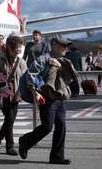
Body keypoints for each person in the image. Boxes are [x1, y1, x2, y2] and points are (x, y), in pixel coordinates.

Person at [19, 35, 77, 165]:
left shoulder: (63, 60)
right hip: (47, 98)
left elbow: (72, 77)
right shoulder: (43, 59)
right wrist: (35, 93)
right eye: (63, 45)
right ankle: (25, 141)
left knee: (61, 127)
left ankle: (57, 157)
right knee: (47, 126)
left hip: (60, 98)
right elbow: (31, 75)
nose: (66, 48)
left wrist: (60, 67)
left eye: (67, 46)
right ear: (55, 45)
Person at [0, 35, 27, 155]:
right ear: (10, 47)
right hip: (4, 94)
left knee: (9, 120)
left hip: (16, 94)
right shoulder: (0, 60)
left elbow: (27, 77)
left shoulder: (21, 62)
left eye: (20, 47)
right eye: (17, 47)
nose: (19, 50)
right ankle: (9, 147)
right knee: (10, 120)